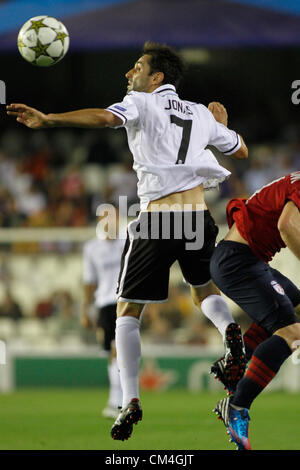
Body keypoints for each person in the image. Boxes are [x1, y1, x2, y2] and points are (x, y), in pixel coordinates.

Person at [7, 41, 248, 441]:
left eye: (136, 67)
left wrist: (49, 119)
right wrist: (221, 123)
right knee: (203, 289)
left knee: (126, 312)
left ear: (156, 78)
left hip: (158, 220)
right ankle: (229, 333)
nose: (128, 74)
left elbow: (104, 118)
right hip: (199, 219)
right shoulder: (201, 114)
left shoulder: (141, 101)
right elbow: (239, 149)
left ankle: (130, 400)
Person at [210, 172, 300, 450]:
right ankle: (237, 404)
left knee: (296, 308)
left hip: (246, 259)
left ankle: (236, 361)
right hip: (239, 261)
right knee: (292, 333)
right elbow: (287, 225)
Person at [81, 210, 124, 419]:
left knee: (119, 350)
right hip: (104, 303)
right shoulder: (91, 248)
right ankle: (117, 398)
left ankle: (118, 400)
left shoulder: (127, 240)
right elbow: (89, 280)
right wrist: (85, 308)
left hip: (125, 301)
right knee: (110, 352)